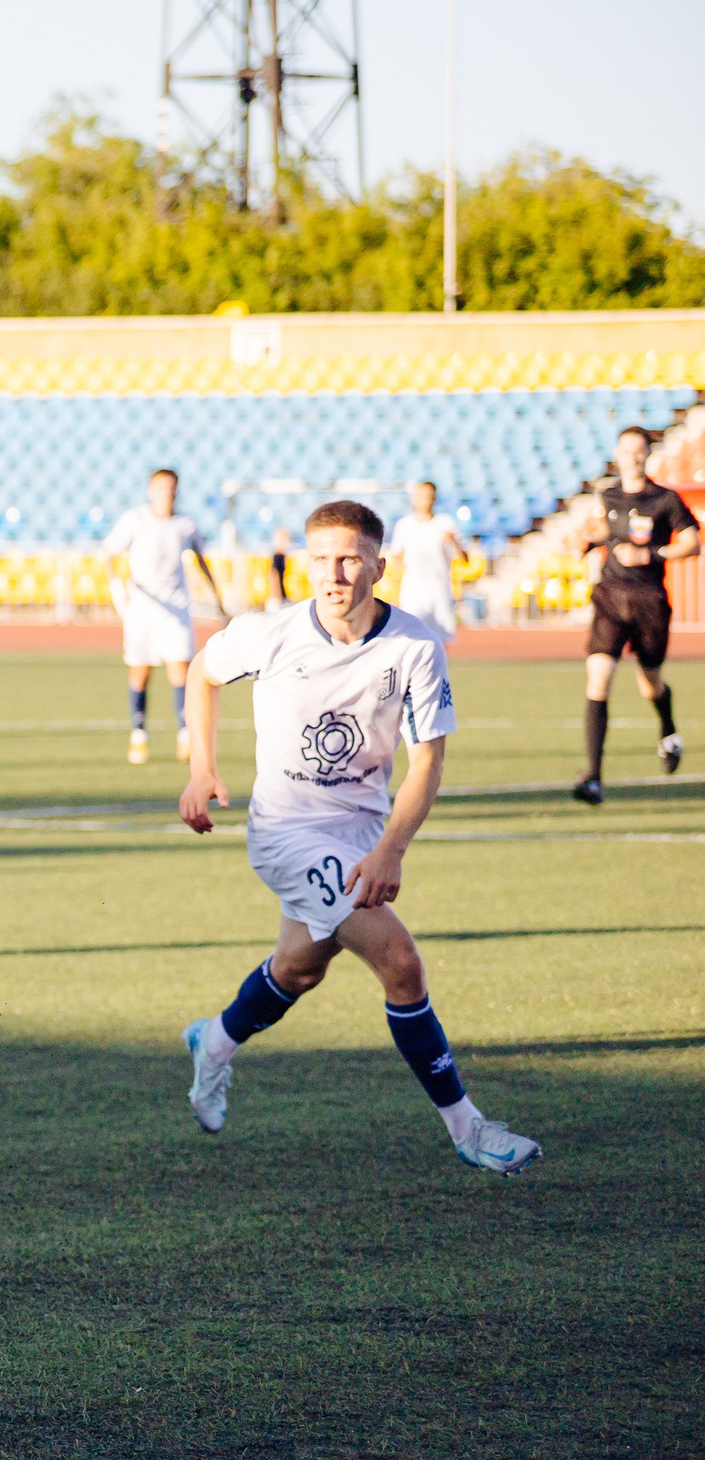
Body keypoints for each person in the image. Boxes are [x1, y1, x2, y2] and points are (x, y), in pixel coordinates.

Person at [177, 499, 538, 1176]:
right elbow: (202, 670)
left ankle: (216, 1042)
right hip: (287, 829)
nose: (334, 573)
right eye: (320, 558)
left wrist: (389, 848)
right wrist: (203, 768)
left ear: (380, 563)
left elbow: (428, 759)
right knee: (399, 961)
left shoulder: (414, 646)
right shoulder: (271, 633)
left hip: (362, 830)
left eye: (348, 557)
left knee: (298, 968)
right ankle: (469, 1128)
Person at [573, 424, 696, 805]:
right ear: (618, 454)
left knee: (650, 684)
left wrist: (653, 554)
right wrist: (585, 541)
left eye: (639, 450)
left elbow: (692, 542)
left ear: (648, 454)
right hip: (610, 597)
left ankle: (668, 727)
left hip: (649, 601)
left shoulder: (665, 499)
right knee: (598, 679)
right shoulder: (606, 495)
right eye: (626, 451)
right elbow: (598, 532)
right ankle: (593, 777)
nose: (633, 457)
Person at [104, 469, 206, 765]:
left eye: (171, 488)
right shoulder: (135, 519)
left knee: (180, 670)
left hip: (175, 608)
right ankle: (138, 735)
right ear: (150, 490)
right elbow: (109, 554)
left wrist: (217, 596)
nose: (166, 493)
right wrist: (116, 588)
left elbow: (201, 560)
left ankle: (186, 735)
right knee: (140, 671)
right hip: (142, 610)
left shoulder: (185, 525)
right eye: (160, 488)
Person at [386, 482, 471, 640]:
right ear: (414, 498)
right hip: (413, 588)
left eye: (429, 496)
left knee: (441, 637)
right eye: (422, 496)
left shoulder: (445, 523)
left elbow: (465, 559)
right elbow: (397, 559)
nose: (426, 500)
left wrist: (453, 540)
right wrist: (395, 590)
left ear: (435, 498)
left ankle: (439, 665)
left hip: (439, 587)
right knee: (410, 635)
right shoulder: (404, 525)